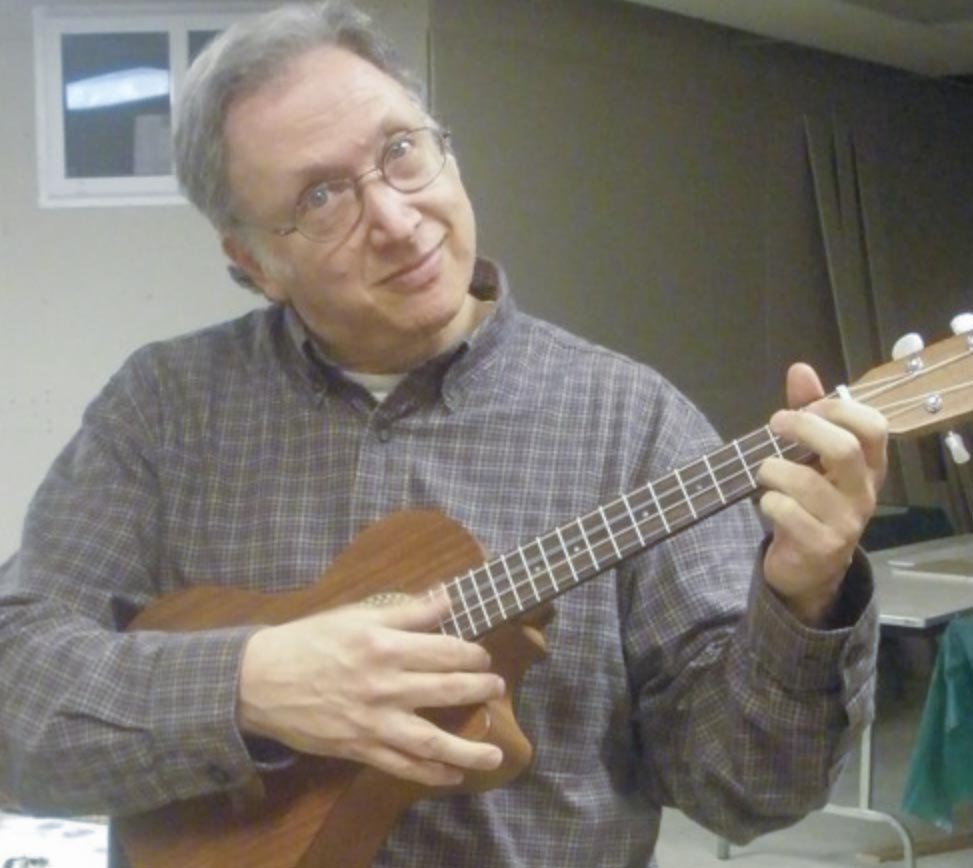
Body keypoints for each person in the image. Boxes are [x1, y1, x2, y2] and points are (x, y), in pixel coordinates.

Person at [0, 2, 888, 866]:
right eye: (319, 197)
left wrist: (803, 602)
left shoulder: (632, 421)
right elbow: (15, 699)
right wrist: (251, 688)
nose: (393, 218)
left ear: (445, 152)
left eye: (400, 152)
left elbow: (747, 790)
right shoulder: (163, 411)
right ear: (254, 264)